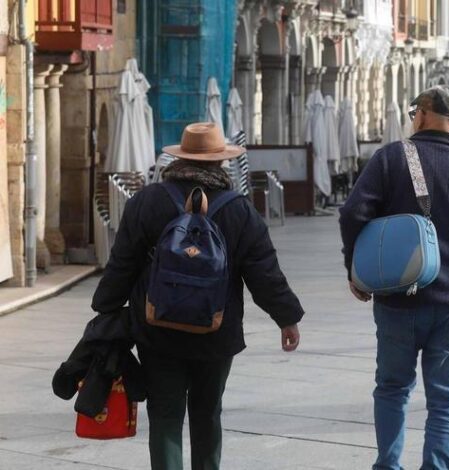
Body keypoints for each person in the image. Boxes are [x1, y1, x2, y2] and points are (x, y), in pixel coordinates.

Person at [91, 122, 305, 470]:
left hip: (157, 329)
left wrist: (105, 309)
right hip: (216, 330)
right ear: (221, 162)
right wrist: (287, 318)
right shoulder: (239, 209)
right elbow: (264, 272)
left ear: (178, 159)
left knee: (165, 415)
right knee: (207, 414)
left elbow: (122, 263)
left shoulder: (147, 201)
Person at [339, 85, 449, 470]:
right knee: (446, 399)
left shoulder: (391, 157)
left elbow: (352, 213)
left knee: (392, 388)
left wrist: (355, 270)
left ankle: (388, 465)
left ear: (420, 115)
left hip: (397, 297)